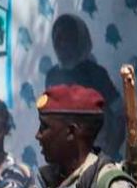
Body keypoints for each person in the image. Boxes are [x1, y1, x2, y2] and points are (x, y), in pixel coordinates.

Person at [45, 14, 124, 158]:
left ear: (80, 40)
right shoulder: (52, 76)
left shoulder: (95, 74)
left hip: (94, 156)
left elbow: (121, 115)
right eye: (57, 38)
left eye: (67, 38)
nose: (61, 44)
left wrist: (108, 153)